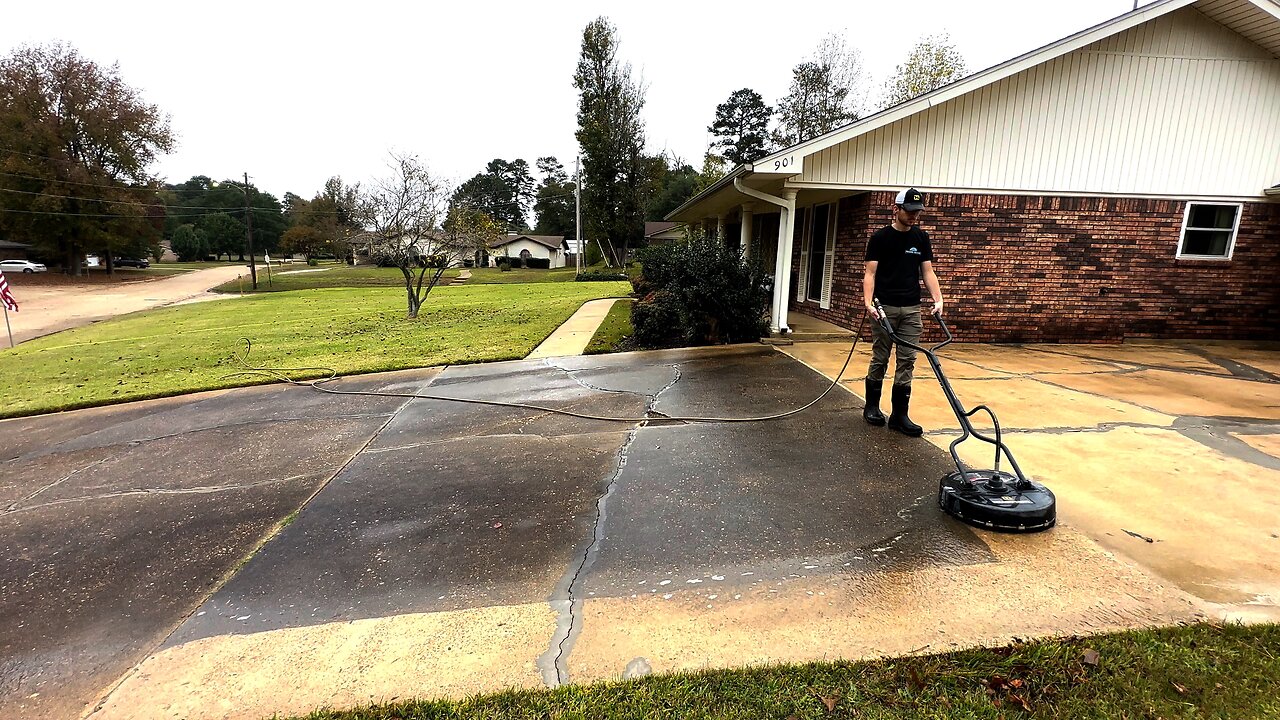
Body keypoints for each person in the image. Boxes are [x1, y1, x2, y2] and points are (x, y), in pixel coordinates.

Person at [862, 187, 945, 437]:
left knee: (907, 359)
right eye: (909, 211)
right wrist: (868, 303)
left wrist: (938, 299)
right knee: (881, 357)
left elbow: (927, 272)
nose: (913, 216)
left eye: (917, 211)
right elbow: (870, 273)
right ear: (896, 209)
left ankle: (899, 415)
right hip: (883, 308)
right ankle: (872, 407)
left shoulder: (920, 238)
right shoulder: (880, 238)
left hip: (911, 308)